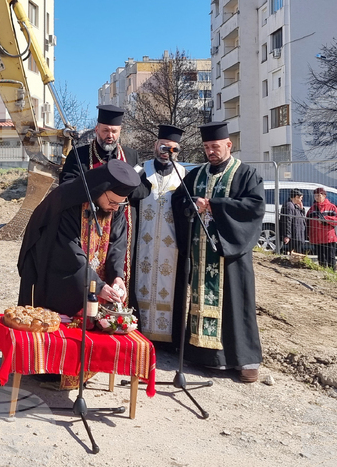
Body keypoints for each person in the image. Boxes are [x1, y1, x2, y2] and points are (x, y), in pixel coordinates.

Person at [171, 122, 265, 384]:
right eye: (206, 148)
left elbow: (254, 207)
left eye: (215, 146)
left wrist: (214, 205)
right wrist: (192, 205)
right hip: (202, 253)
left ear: (228, 145)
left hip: (230, 254)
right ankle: (203, 356)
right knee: (200, 301)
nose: (211, 151)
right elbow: (178, 200)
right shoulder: (196, 174)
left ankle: (244, 360)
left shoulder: (246, 174)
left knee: (236, 304)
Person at [18, 159, 141, 316]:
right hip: (53, 273)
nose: (116, 208)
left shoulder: (114, 207)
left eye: (121, 204)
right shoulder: (67, 201)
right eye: (112, 202)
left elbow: (117, 244)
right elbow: (68, 253)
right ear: (100, 189)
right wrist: (96, 286)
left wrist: (117, 276)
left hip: (90, 276)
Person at [60, 104, 149, 285]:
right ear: (96, 130)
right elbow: (67, 185)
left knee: (119, 271)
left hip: (121, 227)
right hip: (88, 224)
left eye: (114, 131)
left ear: (120, 131)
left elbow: (144, 188)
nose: (110, 136)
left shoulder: (131, 156)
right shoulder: (80, 154)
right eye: (105, 130)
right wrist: (99, 191)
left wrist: (120, 191)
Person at [131, 124, 186, 345]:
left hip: (170, 251)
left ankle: (167, 341)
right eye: (164, 147)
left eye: (174, 149)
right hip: (141, 246)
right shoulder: (140, 171)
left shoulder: (185, 176)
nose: (168, 153)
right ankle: (138, 334)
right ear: (156, 146)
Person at [306, 188, 337, 270]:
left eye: (319, 195)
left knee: (330, 256)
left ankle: (333, 271)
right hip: (316, 237)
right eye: (315, 196)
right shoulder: (312, 209)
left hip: (328, 237)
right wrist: (308, 235)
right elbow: (307, 222)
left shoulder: (331, 207)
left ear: (324, 196)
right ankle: (323, 271)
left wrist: (326, 219)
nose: (317, 197)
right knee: (320, 256)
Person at [279, 189, 306, 256]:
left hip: (298, 234)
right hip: (294, 235)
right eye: (301, 198)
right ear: (296, 197)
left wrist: (302, 209)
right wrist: (287, 235)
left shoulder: (295, 205)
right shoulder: (289, 206)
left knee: (298, 252)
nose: (301, 200)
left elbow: (302, 217)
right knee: (294, 253)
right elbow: (287, 221)